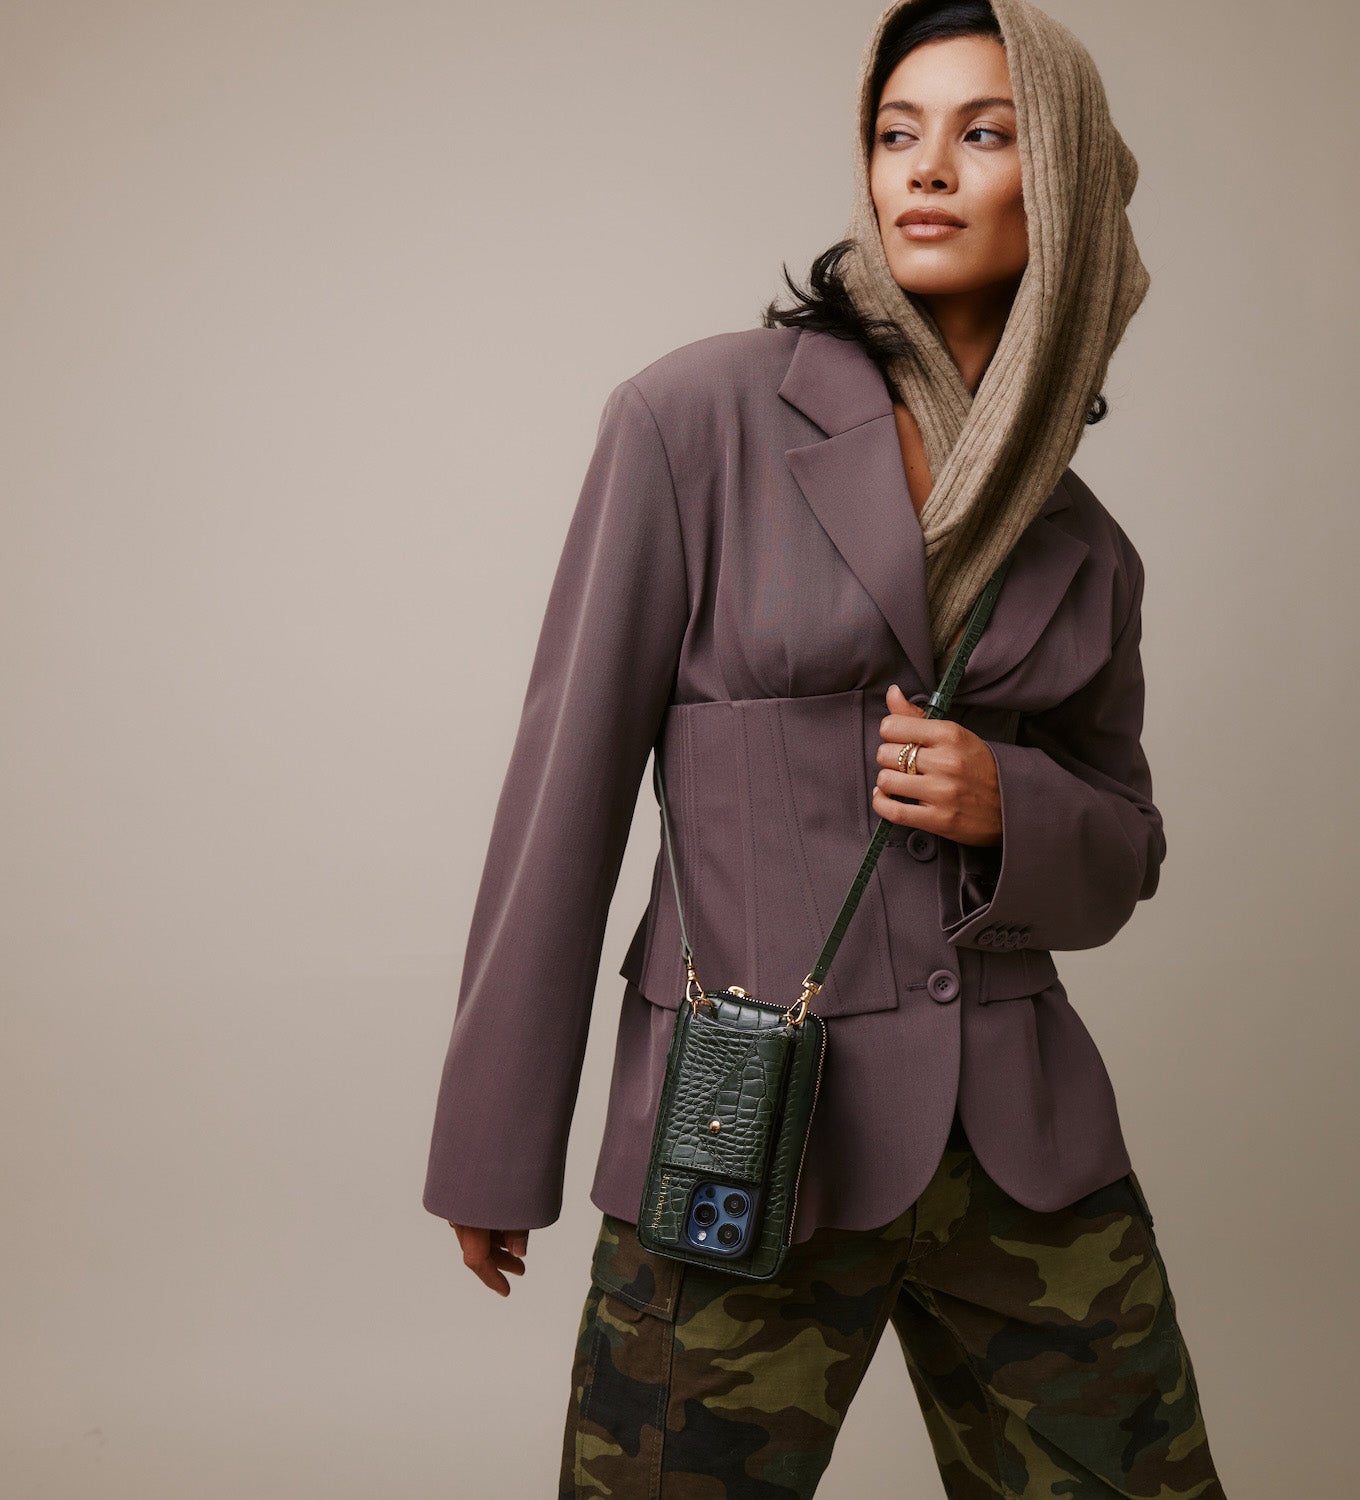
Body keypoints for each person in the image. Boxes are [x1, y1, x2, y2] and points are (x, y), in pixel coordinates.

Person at [423, 1, 1230, 1495]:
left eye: (985, 134)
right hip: (748, 1139)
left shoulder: (1082, 542)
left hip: (1023, 1150)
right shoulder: (699, 420)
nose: (925, 168)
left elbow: (1126, 849)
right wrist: (494, 1140)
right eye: (896, 132)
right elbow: (565, 794)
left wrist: (1010, 803)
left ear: (1060, 182)